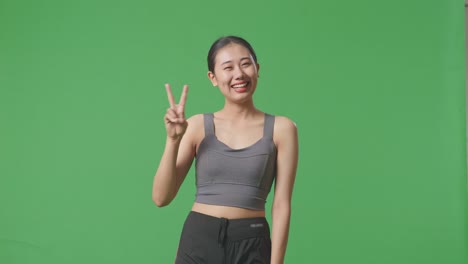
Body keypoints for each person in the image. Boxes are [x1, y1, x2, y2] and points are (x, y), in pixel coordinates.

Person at [152, 36, 298, 264]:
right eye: (227, 67)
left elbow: (281, 205)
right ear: (213, 77)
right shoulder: (197, 125)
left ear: (257, 69)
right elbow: (161, 197)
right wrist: (172, 140)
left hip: (252, 241)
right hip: (198, 238)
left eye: (246, 64)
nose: (238, 74)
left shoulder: (282, 128)